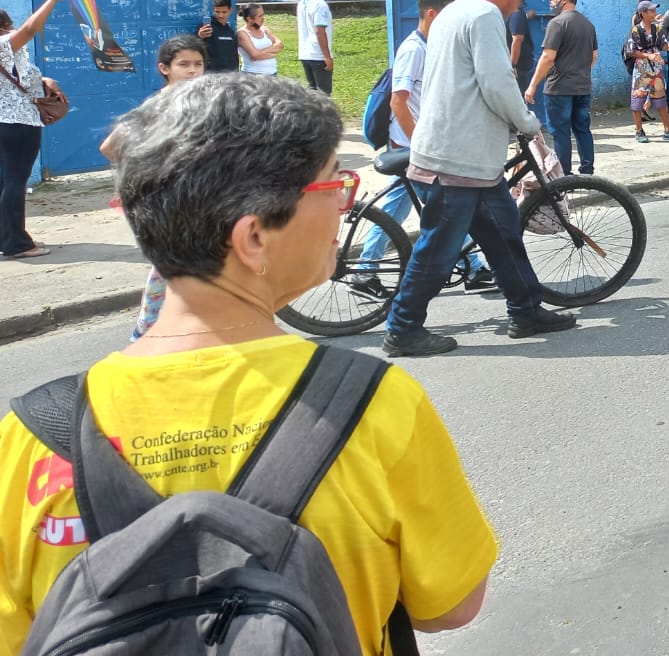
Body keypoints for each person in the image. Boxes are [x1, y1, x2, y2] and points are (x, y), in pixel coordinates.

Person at [5, 74, 496, 651]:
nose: (346, 203)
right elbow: (451, 605)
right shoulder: (371, 407)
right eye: (333, 184)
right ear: (253, 238)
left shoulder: (34, 436)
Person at [387, 0, 576, 357]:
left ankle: (525, 310)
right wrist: (526, 121)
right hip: (455, 156)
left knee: (504, 235)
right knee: (437, 249)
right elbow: (497, 82)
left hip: (469, 156)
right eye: (520, 2)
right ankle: (402, 328)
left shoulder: (453, 12)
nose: (517, 11)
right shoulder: (485, 15)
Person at [354, 0, 483, 295]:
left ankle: (365, 270)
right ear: (431, 14)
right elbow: (399, 102)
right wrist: (419, 144)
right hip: (412, 148)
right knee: (450, 207)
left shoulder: (431, 46)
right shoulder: (413, 49)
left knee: (404, 211)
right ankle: (474, 268)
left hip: (417, 147)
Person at [121, 35, 219, 339]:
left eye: (198, 64)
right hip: (171, 203)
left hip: (204, 199)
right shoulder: (160, 104)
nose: (192, 71)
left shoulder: (201, 100)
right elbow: (112, 147)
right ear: (165, 68)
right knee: (169, 269)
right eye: (183, 65)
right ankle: (146, 332)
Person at [0, 0, 75, 260]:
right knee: (15, 182)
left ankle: (7, 238)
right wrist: (53, 0)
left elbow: (20, 80)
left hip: (5, 123)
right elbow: (31, 30)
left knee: (6, 182)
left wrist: (45, 80)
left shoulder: (11, 54)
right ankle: (17, 244)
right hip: (17, 123)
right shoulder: (4, 45)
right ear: (5, 26)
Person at [528, 0, 599, 177]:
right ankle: (587, 171)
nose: (551, 0)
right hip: (582, 86)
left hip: (559, 88)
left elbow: (548, 57)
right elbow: (594, 56)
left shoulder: (557, 23)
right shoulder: (587, 24)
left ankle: (564, 175)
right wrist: (581, 72)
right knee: (582, 129)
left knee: (560, 132)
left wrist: (532, 85)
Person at [626, 0, 669, 143]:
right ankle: (639, 130)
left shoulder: (657, 29)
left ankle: (667, 129)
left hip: (656, 68)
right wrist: (648, 55)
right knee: (638, 98)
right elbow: (631, 51)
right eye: (651, 11)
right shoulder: (635, 30)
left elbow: (662, 44)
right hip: (641, 69)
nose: (654, 13)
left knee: (660, 99)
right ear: (643, 13)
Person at [295, 0, 334, 92]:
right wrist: (327, 57)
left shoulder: (302, 2)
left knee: (312, 91)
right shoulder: (320, 4)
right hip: (318, 55)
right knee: (323, 93)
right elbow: (319, 31)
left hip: (305, 53)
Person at [195, 0, 240, 72]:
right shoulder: (206, 27)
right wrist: (200, 36)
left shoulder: (230, 31)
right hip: (212, 76)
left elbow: (234, 55)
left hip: (231, 75)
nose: (220, 15)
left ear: (230, 10)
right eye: (217, 12)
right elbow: (194, 46)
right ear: (213, 10)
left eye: (224, 12)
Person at [237, 3, 283, 75]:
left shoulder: (265, 29)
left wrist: (262, 53)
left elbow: (280, 44)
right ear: (249, 19)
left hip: (272, 73)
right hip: (253, 75)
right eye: (260, 16)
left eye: (263, 15)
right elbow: (255, 55)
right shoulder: (242, 33)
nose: (263, 18)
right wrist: (272, 53)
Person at [506, 0, 536, 97]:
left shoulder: (515, 14)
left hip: (518, 68)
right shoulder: (515, 15)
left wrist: (512, 65)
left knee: (517, 99)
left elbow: (517, 39)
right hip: (519, 66)